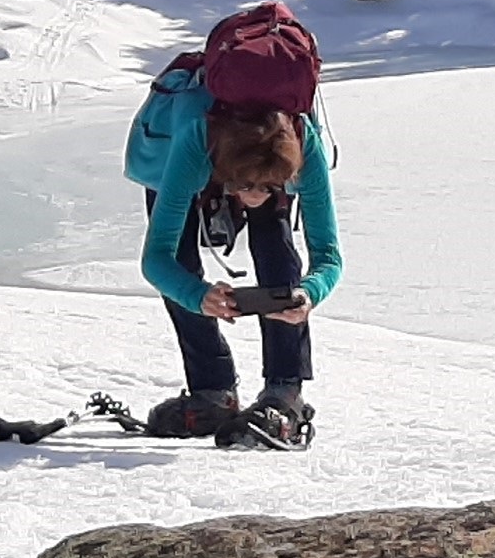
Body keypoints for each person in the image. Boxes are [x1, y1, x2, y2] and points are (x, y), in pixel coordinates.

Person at [131, 60, 341, 446]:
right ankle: (212, 391)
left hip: (253, 161)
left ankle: (284, 394)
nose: (256, 196)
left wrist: (309, 293)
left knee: (277, 253)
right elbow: (157, 258)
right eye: (247, 187)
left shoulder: (304, 148)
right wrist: (197, 296)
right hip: (183, 151)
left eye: (269, 187)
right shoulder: (193, 145)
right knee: (180, 262)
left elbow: (328, 255)